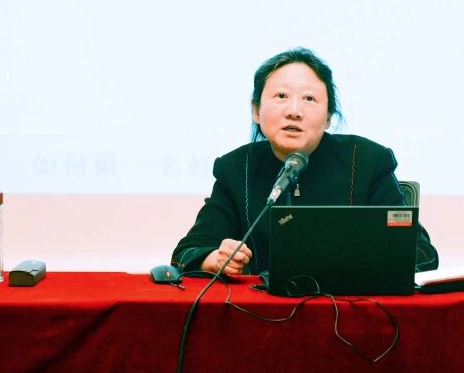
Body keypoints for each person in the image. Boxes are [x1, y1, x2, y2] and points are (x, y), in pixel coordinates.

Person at [171, 48, 439, 276]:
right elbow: (188, 252)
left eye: (309, 99)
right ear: (256, 110)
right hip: (262, 314)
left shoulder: (368, 162)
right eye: (281, 96)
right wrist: (214, 259)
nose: (294, 111)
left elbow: (422, 254)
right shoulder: (235, 168)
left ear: (329, 116)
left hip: (350, 311)